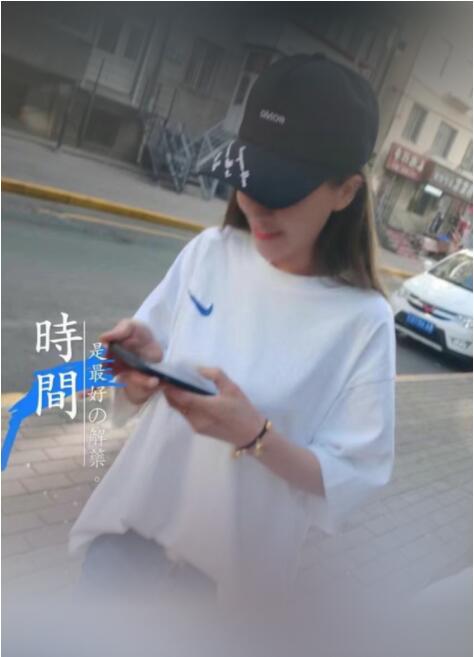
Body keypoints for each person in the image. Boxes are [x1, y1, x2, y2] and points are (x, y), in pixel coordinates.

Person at [68, 54, 395, 615]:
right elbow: (134, 375)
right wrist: (139, 370)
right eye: (248, 180)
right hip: (128, 540)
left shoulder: (363, 321)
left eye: (282, 190)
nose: (257, 206)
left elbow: (349, 475)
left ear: (345, 191)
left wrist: (254, 435)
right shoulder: (210, 252)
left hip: (223, 589)